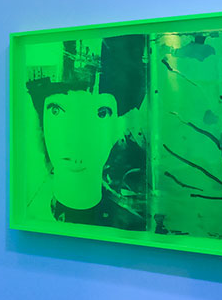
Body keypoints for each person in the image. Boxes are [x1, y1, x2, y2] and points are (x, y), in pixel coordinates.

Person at [25, 34, 148, 230]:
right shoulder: (27, 212)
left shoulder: (134, 227)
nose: (76, 140)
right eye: (57, 111)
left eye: (101, 113)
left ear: (117, 126)